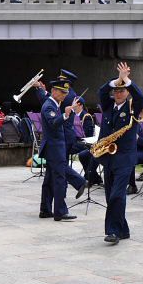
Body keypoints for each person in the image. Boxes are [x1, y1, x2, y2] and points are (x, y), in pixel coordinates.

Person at [96, 62, 143, 244]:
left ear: (127, 93)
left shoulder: (133, 107)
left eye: (122, 90)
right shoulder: (108, 106)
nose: (118, 93)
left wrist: (126, 80)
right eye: (116, 91)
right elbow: (101, 92)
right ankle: (123, 229)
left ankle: (113, 231)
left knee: (117, 195)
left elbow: (141, 96)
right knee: (111, 196)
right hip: (108, 157)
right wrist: (116, 80)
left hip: (124, 158)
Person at [34, 69, 86, 199]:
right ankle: (47, 208)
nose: (59, 82)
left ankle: (76, 184)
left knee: (59, 169)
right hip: (58, 136)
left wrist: (40, 90)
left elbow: (48, 103)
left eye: (61, 81)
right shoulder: (67, 94)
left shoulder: (68, 95)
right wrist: (43, 91)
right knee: (54, 172)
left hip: (62, 137)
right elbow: (49, 102)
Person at [38, 78, 78, 221]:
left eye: (66, 93)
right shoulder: (49, 106)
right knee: (60, 179)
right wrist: (65, 115)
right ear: (54, 91)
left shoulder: (53, 104)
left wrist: (66, 114)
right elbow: (54, 123)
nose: (64, 95)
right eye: (62, 92)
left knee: (49, 180)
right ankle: (60, 211)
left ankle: (46, 209)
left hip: (54, 147)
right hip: (54, 148)